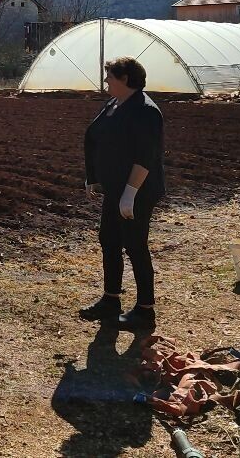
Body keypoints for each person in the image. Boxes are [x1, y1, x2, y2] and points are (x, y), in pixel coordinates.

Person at [78, 56, 166, 331]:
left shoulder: (145, 111)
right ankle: (111, 299)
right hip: (114, 189)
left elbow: (146, 157)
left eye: (110, 77)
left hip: (137, 191)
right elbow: (94, 137)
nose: (106, 82)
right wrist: (94, 177)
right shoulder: (114, 105)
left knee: (135, 245)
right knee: (110, 240)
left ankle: (144, 310)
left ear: (125, 79)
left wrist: (130, 194)